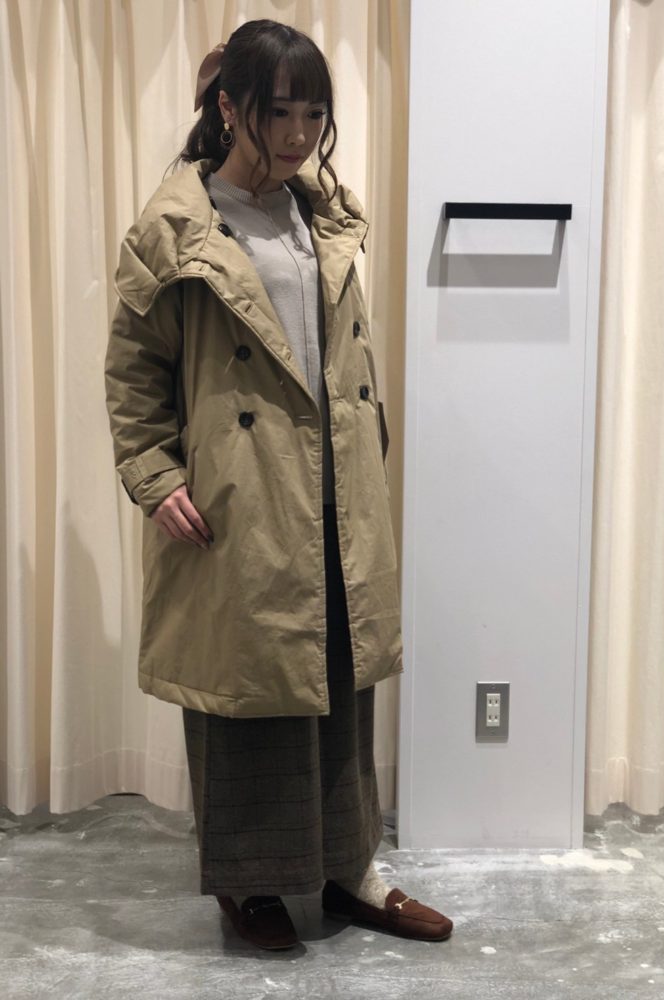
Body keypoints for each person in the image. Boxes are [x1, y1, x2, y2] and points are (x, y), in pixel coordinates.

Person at [104, 18, 452, 950]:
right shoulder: (178, 227)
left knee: (339, 684)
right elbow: (134, 370)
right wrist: (154, 475)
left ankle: (350, 872)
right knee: (248, 697)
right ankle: (248, 885)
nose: (298, 135)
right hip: (242, 494)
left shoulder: (321, 213)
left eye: (313, 115)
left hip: (337, 490)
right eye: (277, 114)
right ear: (229, 109)